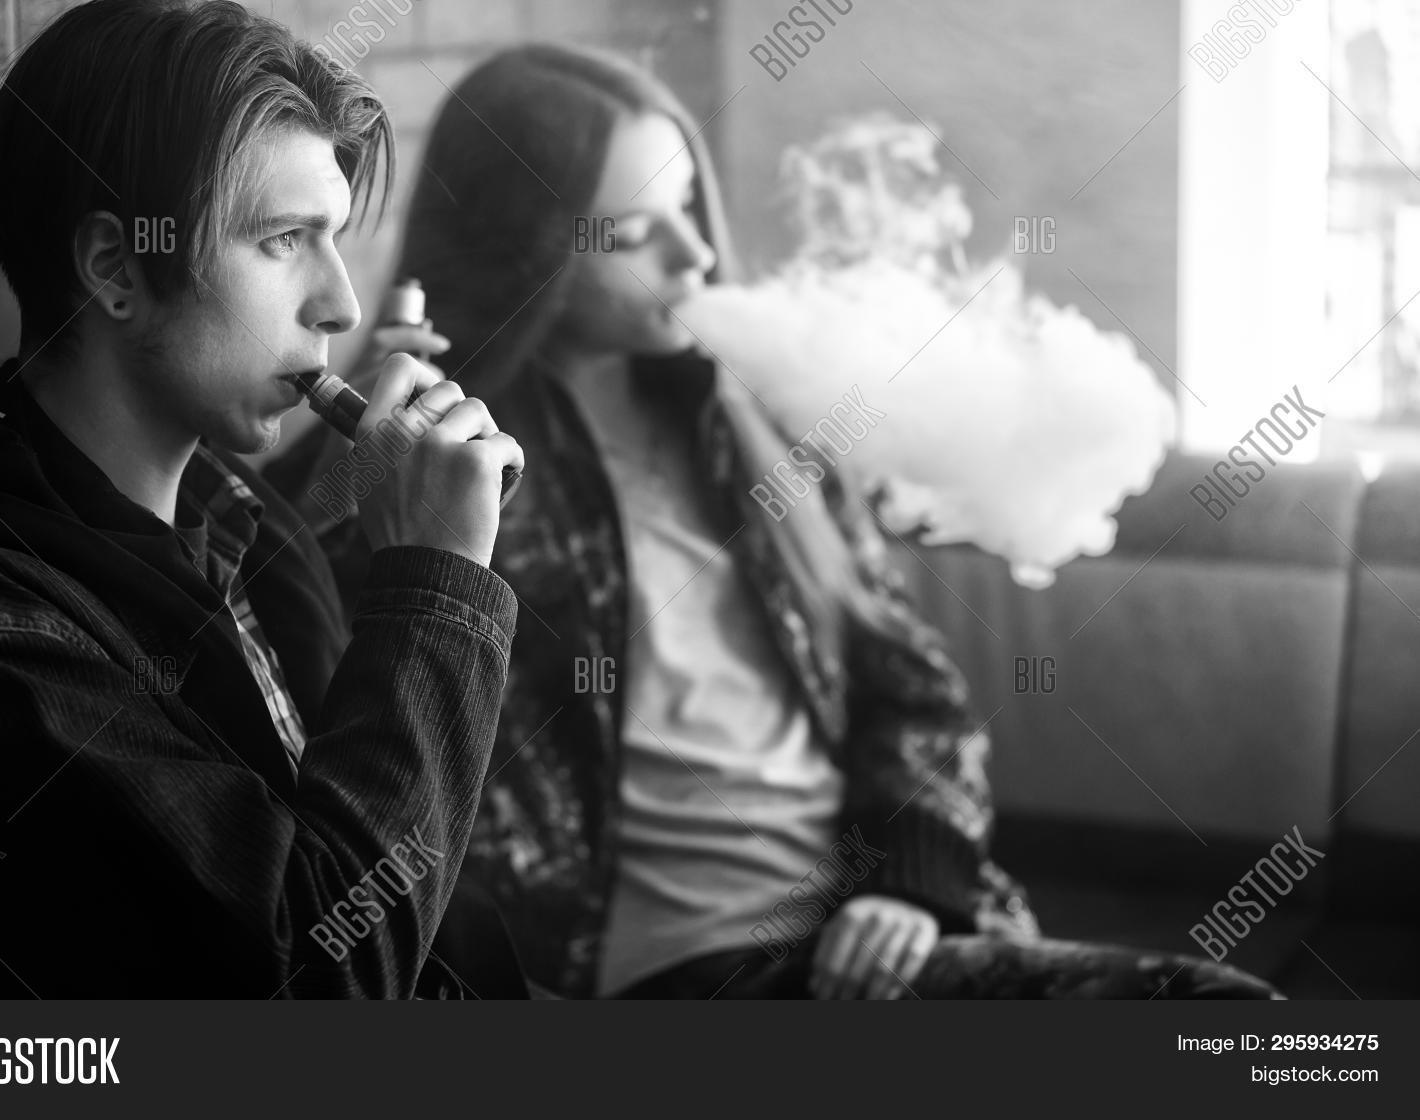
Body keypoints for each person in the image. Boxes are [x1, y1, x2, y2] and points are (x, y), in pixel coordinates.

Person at [266, 44, 1280, 1000]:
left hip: (868, 934)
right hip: (678, 970)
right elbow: (339, 692)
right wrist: (356, 460)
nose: (699, 253)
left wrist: (908, 882)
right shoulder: (445, 465)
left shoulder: (762, 423)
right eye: (636, 232)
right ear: (524, 244)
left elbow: (912, 690)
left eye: (688, 207)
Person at [0, 0, 524, 997]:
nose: (342, 304)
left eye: (333, 237)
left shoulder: (233, 511)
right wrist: (436, 581)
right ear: (116, 269)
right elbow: (314, 981)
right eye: (284, 239)